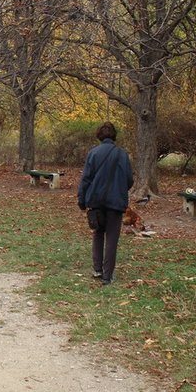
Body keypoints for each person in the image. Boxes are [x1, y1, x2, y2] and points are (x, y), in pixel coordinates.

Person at [77, 122, 134, 285]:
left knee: (98, 233)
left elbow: (86, 179)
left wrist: (82, 200)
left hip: (96, 201)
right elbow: (129, 179)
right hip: (116, 202)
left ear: (99, 136)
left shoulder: (93, 153)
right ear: (114, 136)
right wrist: (119, 189)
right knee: (112, 238)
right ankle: (107, 276)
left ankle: (97, 269)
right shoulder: (122, 155)